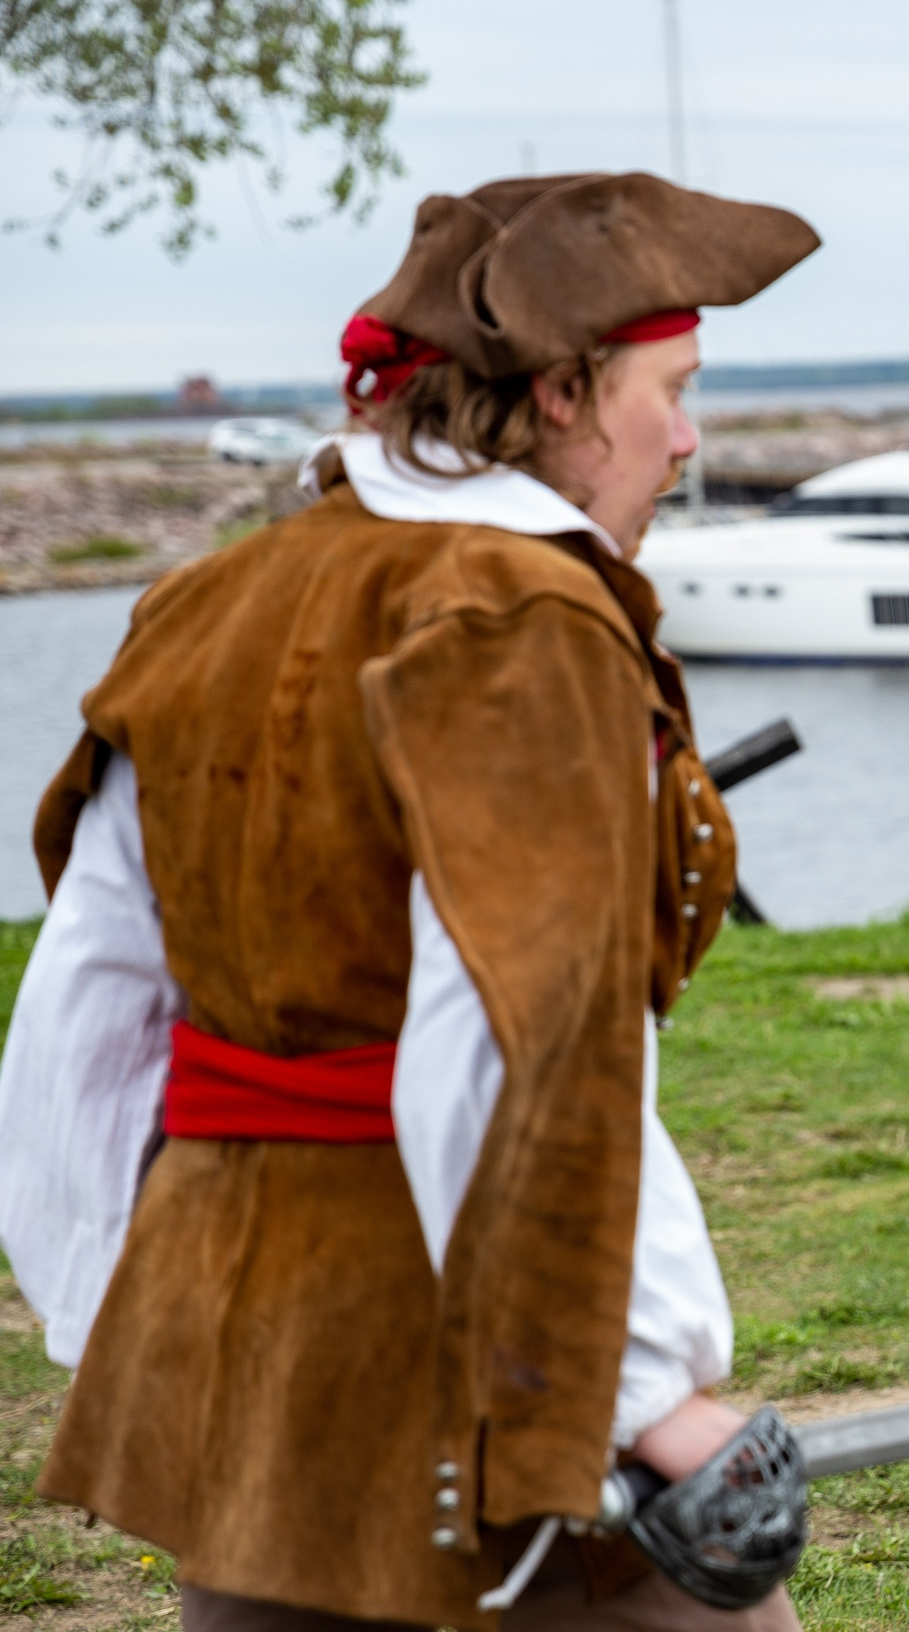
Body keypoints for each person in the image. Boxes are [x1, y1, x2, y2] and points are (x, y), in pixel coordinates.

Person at [0, 174, 819, 1630]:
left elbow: (86, 1002)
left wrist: (122, 1306)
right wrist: (629, 1396)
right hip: (476, 1376)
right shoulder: (528, 619)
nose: (689, 440)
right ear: (567, 391)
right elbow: (513, 1042)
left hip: (234, 1371)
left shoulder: (209, 601)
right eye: (672, 391)